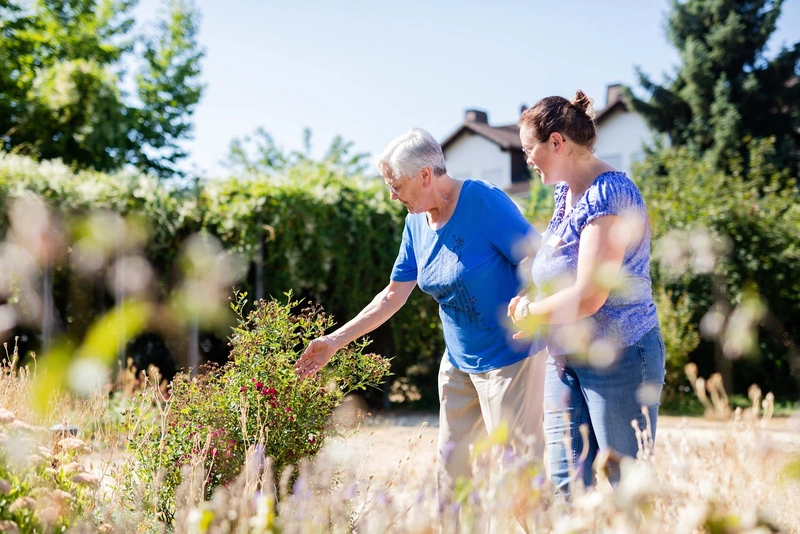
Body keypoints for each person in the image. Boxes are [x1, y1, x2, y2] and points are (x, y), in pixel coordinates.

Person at [295, 127, 546, 502]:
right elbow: (392, 295)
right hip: (459, 364)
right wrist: (334, 341)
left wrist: (530, 294)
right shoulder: (416, 222)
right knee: (453, 480)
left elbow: (535, 254)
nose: (391, 195)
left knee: (518, 482)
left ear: (425, 175)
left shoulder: (482, 202)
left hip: (509, 360)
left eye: (396, 185)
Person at [508, 91, 666, 494]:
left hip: (621, 356)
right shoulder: (566, 195)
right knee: (567, 488)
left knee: (620, 488)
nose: (526, 159)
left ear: (557, 142)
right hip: (566, 359)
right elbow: (558, 271)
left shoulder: (607, 194)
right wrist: (532, 303)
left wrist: (537, 312)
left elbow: (590, 295)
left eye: (529, 149)